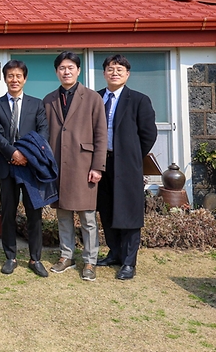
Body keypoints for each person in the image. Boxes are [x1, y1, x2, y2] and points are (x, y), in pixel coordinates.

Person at [43, 51, 107, 282]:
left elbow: (101, 134)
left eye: (70, 67)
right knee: (62, 214)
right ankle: (66, 256)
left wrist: (98, 165)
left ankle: (90, 260)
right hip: (58, 164)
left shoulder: (92, 98)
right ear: (56, 71)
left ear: (78, 70)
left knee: (88, 217)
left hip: (83, 164)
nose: (66, 71)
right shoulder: (49, 99)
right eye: (62, 68)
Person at [96, 55, 157, 280]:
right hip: (102, 163)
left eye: (119, 69)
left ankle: (129, 262)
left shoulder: (139, 100)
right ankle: (115, 253)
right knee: (107, 209)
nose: (114, 73)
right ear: (104, 73)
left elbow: (149, 133)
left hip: (128, 164)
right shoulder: (96, 98)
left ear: (127, 74)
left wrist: (132, 155)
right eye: (110, 69)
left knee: (129, 213)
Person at [0, 59, 50, 277]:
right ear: (5, 78)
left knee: (34, 213)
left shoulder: (37, 104)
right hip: (7, 165)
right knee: (8, 212)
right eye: (10, 76)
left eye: (18, 76)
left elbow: (43, 131)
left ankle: (35, 258)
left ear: (25, 78)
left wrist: (26, 154)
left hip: (30, 166)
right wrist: (13, 153)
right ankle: (10, 256)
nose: (14, 80)